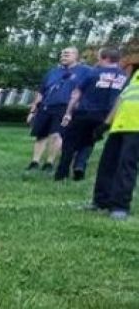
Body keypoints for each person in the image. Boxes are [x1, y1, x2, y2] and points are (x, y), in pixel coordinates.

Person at [56, 47, 128, 181]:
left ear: (105, 58)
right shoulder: (124, 77)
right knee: (89, 141)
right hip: (105, 115)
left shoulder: (93, 73)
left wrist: (68, 112)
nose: (97, 59)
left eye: (99, 57)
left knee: (69, 142)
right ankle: (80, 166)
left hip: (85, 112)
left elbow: (77, 93)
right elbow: (122, 98)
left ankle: (62, 173)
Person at [25, 47, 89, 173]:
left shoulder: (84, 71)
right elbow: (41, 91)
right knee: (40, 135)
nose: (63, 56)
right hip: (46, 106)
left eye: (67, 54)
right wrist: (33, 109)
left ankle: (49, 163)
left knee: (57, 134)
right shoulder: (53, 72)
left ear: (76, 56)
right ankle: (35, 161)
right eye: (62, 54)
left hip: (64, 107)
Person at [88, 72, 139, 220]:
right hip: (119, 126)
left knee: (126, 166)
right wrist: (106, 124)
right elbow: (121, 99)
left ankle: (120, 206)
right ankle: (100, 201)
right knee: (107, 165)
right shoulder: (136, 75)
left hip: (136, 128)